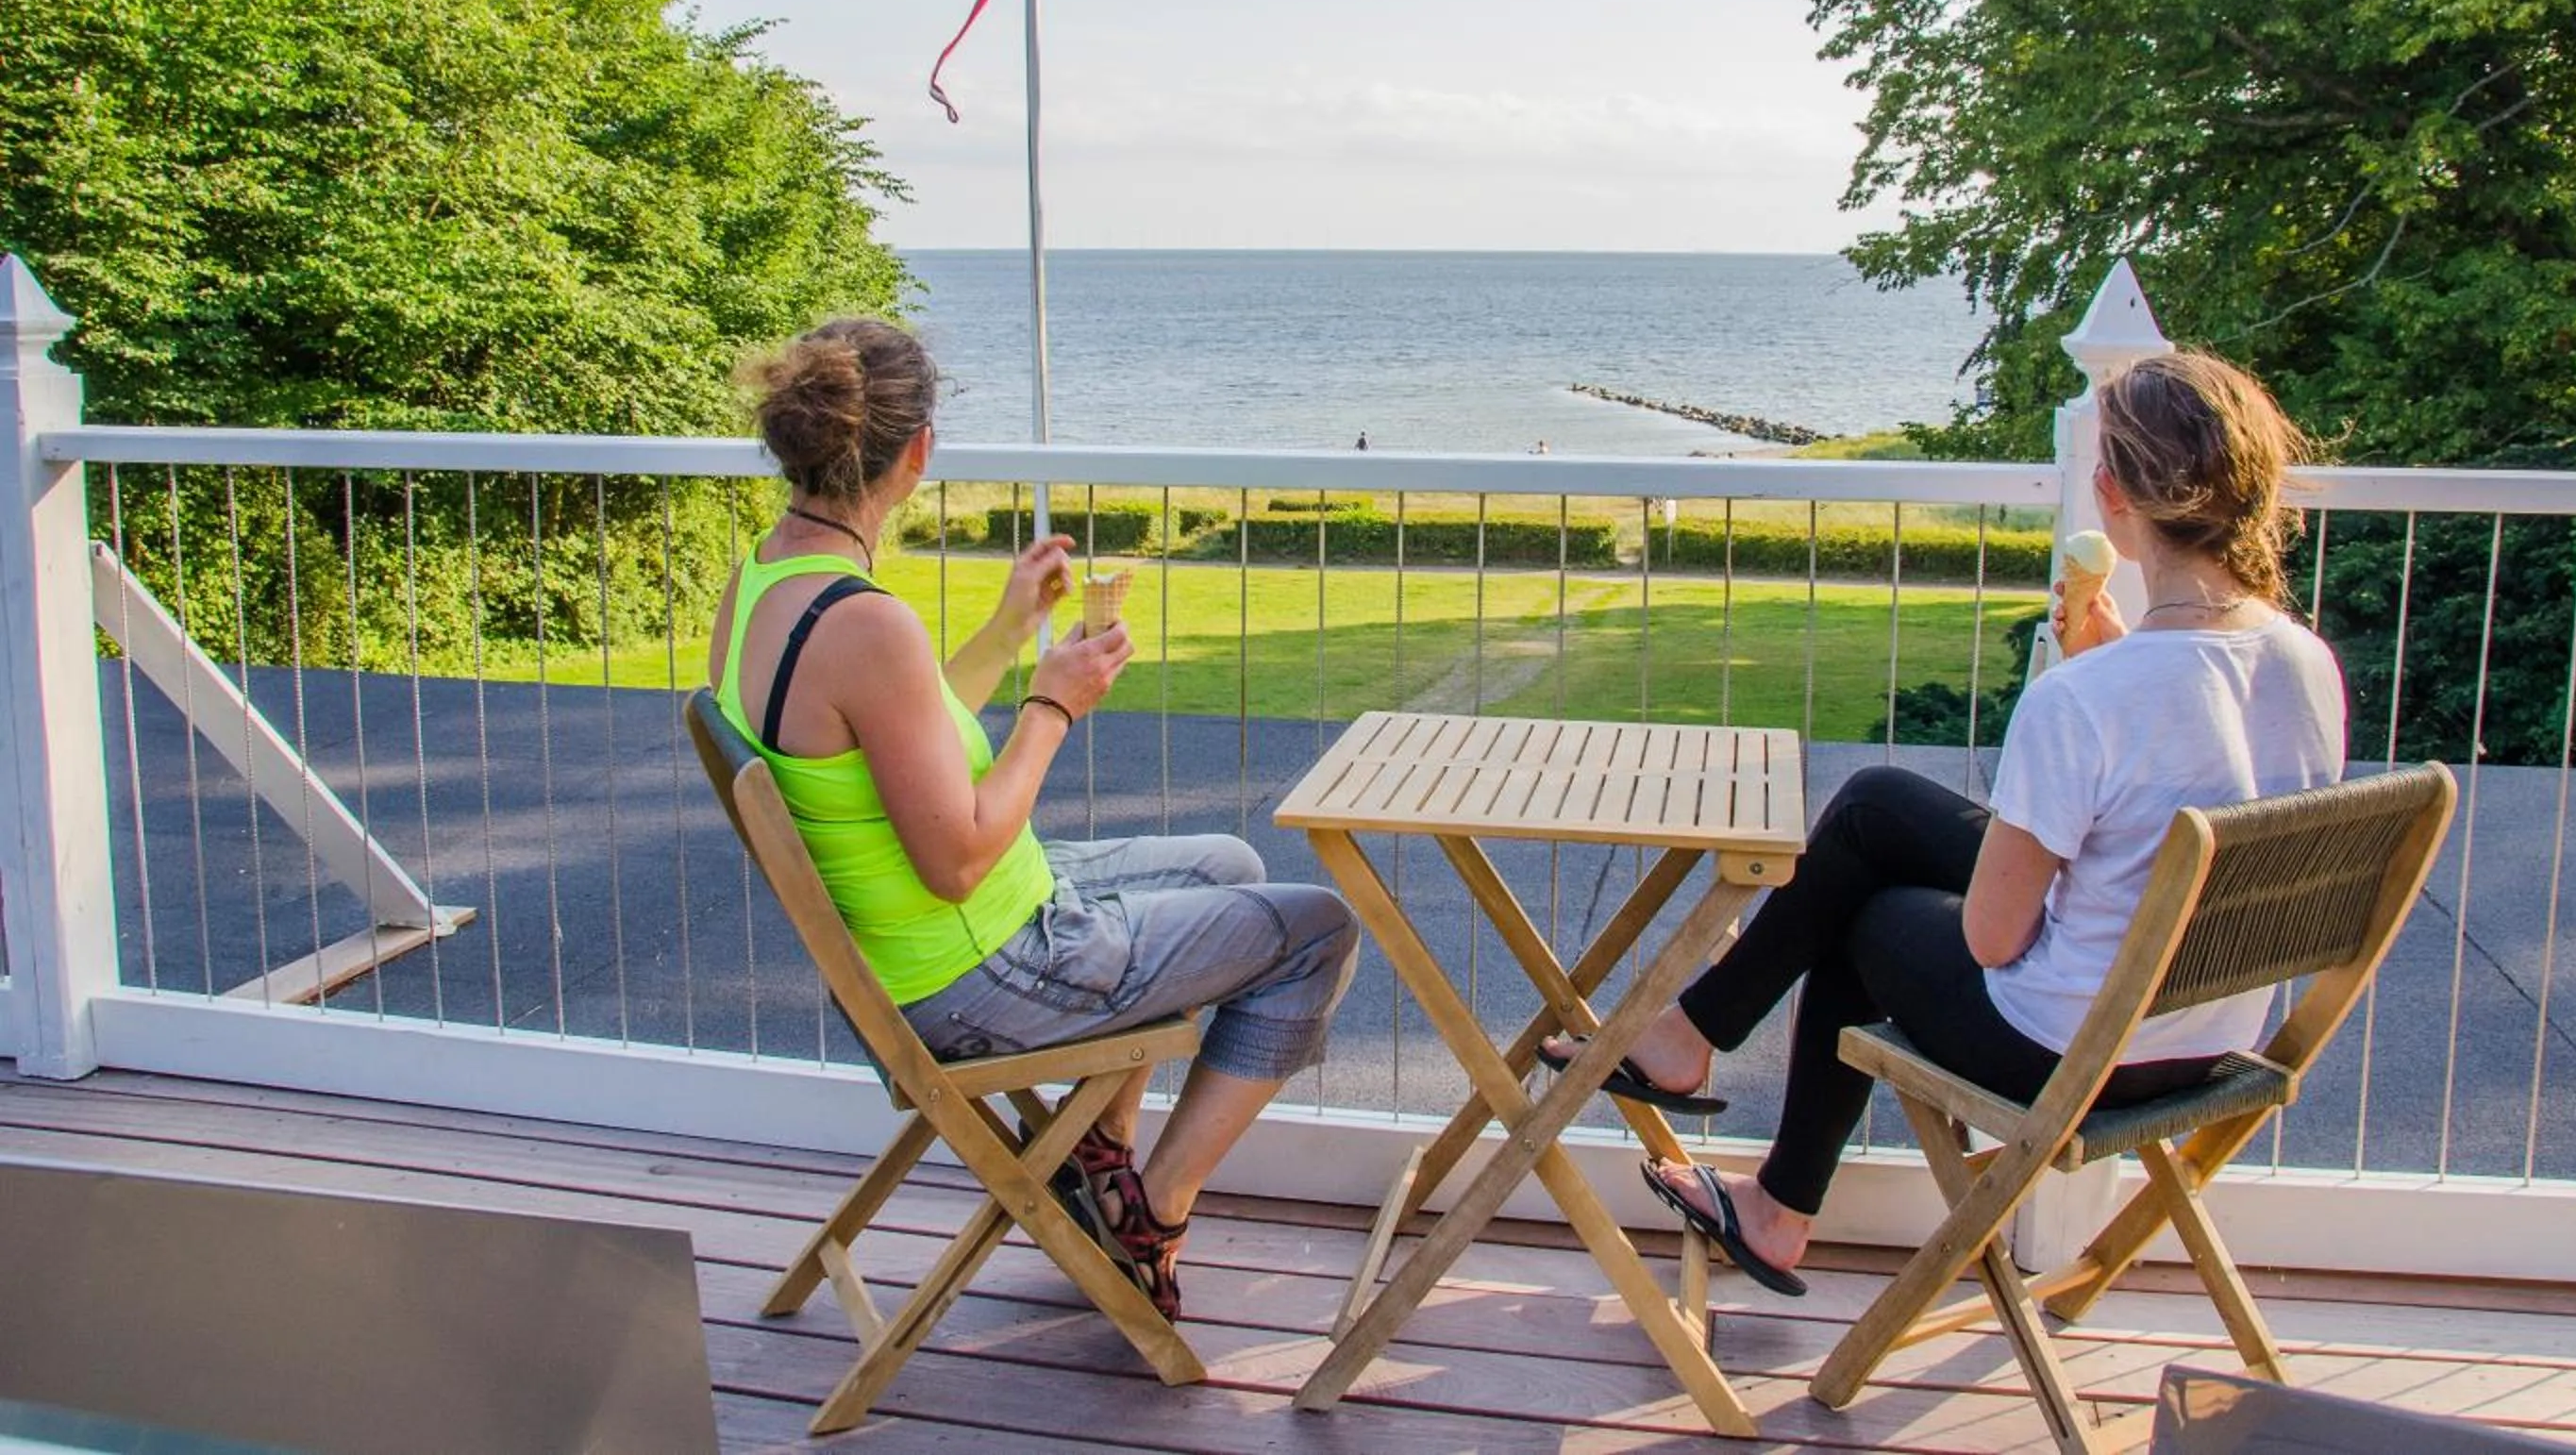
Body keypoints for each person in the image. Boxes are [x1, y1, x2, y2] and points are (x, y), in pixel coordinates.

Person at [1541, 350, 2341, 1294]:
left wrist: (2089, 675)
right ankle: (1711, 1080)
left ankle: (1751, 1154)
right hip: (2207, 1039)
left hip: (2072, 1053)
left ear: (2112, 491)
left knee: (1860, 912)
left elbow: (1993, 937)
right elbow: (2166, 797)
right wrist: (2115, 662)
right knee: (1877, 805)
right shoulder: (2305, 663)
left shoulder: (2086, 699)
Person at [711, 318, 1360, 1321]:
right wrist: (1053, 707)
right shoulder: (868, 621)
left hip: (922, 956)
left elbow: (903, 740)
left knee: (1229, 863)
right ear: (918, 451)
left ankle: (1098, 1149)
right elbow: (959, 857)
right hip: (982, 973)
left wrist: (1014, 627)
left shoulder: (765, 581)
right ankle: (1153, 1206)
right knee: (1319, 929)